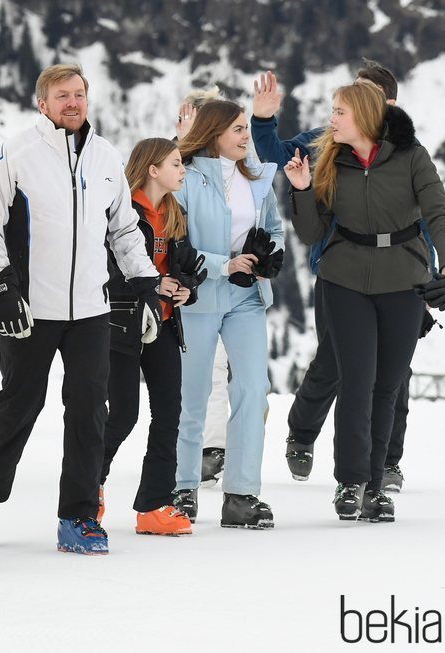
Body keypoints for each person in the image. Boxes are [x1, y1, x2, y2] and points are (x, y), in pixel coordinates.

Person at [0, 64, 161, 555]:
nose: (72, 103)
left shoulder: (106, 158)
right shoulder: (16, 154)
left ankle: (77, 517)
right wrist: (3, 285)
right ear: (41, 103)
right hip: (31, 307)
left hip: (91, 308)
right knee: (18, 404)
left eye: (79, 94)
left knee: (90, 411)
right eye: (61, 96)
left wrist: (145, 282)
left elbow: (125, 230)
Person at [284, 79, 445, 522]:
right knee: (356, 381)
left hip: (404, 281)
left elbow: (439, 212)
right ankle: (350, 483)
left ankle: (375, 484)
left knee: (387, 385)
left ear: (364, 116)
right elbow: (310, 233)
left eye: (339, 112)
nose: (331, 120)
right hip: (343, 280)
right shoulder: (326, 157)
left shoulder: (411, 156)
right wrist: (303, 191)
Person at [251, 61, 424, 493]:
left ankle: (386, 463)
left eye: (366, 95)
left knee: (393, 375)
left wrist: (429, 273)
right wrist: (263, 119)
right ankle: (303, 434)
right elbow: (273, 154)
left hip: (399, 279)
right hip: (339, 274)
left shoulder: (404, 149)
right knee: (335, 364)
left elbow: (420, 220)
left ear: (389, 104)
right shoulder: (325, 139)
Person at [172, 100, 285, 530]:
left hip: (246, 297)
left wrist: (267, 255)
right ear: (214, 131)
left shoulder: (256, 177)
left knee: (254, 389)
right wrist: (224, 263)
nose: (245, 136)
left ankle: (241, 495)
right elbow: (174, 241)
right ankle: (183, 489)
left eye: (246, 129)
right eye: (237, 129)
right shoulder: (184, 176)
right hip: (198, 295)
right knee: (193, 395)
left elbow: (273, 229)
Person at [98, 138, 201, 536]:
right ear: (153, 169)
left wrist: (185, 287)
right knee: (122, 414)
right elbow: (110, 268)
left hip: (164, 323)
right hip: (122, 322)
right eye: (176, 163)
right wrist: (158, 283)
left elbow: (184, 265)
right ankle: (90, 486)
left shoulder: (174, 213)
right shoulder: (121, 211)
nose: (183, 170)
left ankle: (154, 506)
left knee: (169, 415)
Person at [176, 87, 232, 488]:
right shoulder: (176, 164)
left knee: (216, 370)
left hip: (228, 283)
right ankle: (189, 448)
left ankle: (213, 449)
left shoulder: (231, 164)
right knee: (191, 374)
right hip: (184, 281)